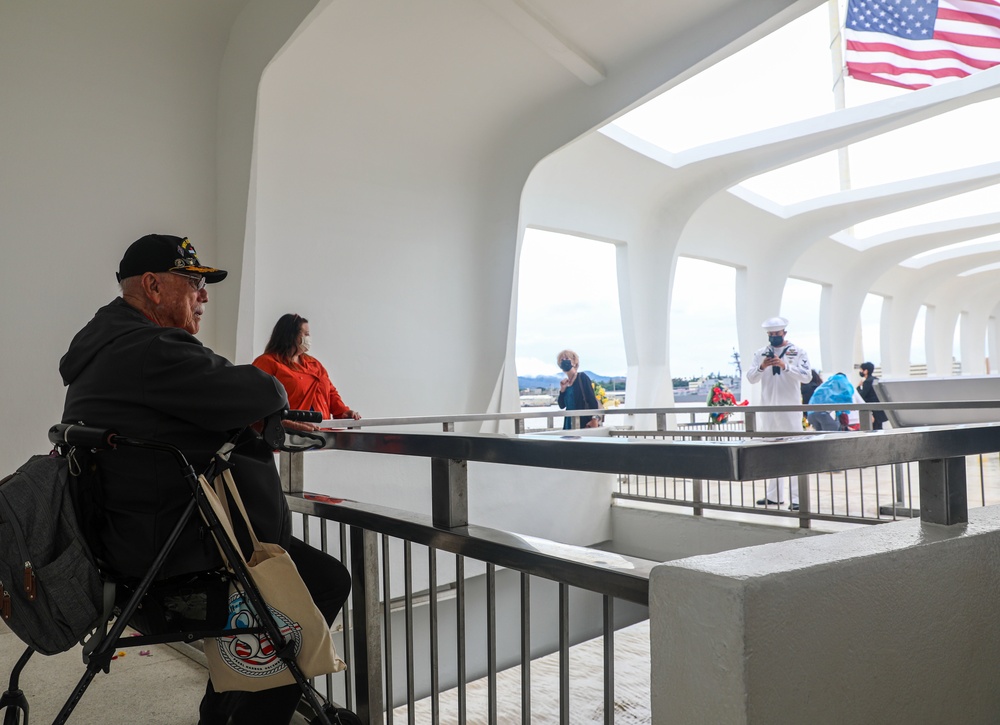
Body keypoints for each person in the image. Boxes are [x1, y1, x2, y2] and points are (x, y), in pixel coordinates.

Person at [59, 234, 351, 725]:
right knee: (322, 582)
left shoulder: (104, 349)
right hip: (171, 555)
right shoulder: (151, 347)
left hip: (126, 544)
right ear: (153, 286)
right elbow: (253, 387)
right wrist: (273, 398)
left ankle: (219, 715)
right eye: (194, 283)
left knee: (285, 592)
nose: (204, 296)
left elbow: (196, 405)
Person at [745, 316, 812, 510]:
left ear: (784, 333)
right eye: (770, 335)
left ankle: (797, 498)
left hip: (789, 410)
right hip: (768, 410)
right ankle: (773, 496)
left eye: (777, 334)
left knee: (794, 453)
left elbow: (807, 377)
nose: (774, 337)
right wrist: (762, 366)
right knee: (771, 453)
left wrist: (785, 366)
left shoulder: (798, 352)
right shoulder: (761, 353)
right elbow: (751, 378)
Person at [253, 314, 361, 432]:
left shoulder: (314, 364)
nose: (309, 338)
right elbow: (257, 404)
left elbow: (330, 393)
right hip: (286, 436)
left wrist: (343, 411)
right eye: (306, 334)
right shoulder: (267, 363)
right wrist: (287, 423)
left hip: (322, 434)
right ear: (291, 335)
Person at [556, 349, 600, 429]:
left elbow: (591, 399)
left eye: (567, 359)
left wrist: (594, 418)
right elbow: (562, 405)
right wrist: (562, 390)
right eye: (562, 360)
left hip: (582, 422)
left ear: (574, 362)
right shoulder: (566, 383)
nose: (564, 361)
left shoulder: (582, 377)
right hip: (569, 422)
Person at [857, 361, 889, 430]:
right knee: (879, 428)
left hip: (873, 411)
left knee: (873, 429)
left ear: (866, 371)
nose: (860, 371)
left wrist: (858, 387)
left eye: (861, 370)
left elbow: (862, 395)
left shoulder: (867, 381)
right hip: (879, 409)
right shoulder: (876, 380)